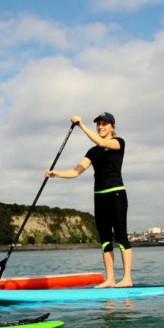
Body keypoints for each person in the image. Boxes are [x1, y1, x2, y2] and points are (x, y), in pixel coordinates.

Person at [46, 112, 132, 288]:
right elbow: (76, 171)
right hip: (99, 196)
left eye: (104, 124)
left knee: (121, 237)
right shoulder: (92, 152)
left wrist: (81, 125)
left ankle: (127, 279)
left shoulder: (118, 143)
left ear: (112, 127)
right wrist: (56, 174)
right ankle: (110, 279)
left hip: (116, 194)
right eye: (98, 124)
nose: (100, 127)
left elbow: (101, 142)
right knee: (105, 239)